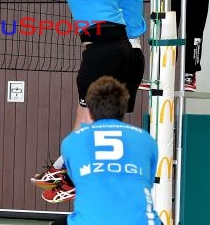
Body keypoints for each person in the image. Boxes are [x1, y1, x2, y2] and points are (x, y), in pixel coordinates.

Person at [30, 0, 146, 203]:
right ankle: (67, 169)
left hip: (107, 46)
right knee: (103, 119)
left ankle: (71, 172)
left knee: (88, 116)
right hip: (132, 51)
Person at [61, 76, 162, 225]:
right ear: (123, 110)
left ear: (89, 112)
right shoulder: (147, 140)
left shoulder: (71, 142)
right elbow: (147, 181)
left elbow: (77, 181)